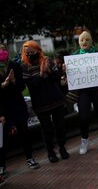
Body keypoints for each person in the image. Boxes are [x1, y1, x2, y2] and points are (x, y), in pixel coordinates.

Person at [21, 40, 69, 163]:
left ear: (38, 50)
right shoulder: (25, 66)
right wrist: (41, 74)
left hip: (55, 99)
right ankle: (51, 152)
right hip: (40, 103)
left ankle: (62, 148)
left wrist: (49, 71)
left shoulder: (47, 60)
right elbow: (31, 86)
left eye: (32, 51)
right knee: (47, 129)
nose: (30, 54)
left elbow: (57, 78)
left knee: (60, 126)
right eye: (27, 53)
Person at [0, 43, 40, 178]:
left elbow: (22, 87)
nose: (2, 51)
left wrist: (14, 81)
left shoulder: (15, 65)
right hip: (3, 109)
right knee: (3, 139)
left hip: (17, 105)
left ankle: (29, 158)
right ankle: (2, 166)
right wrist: (5, 84)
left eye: (4, 49)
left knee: (24, 133)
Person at [71, 31, 98, 154]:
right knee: (83, 116)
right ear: (78, 42)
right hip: (83, 91)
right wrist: (67, 70)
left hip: (97, 89)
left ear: (91, 41)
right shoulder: (74, 56)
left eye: (87, 40)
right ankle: (84, 139)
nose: (84, 42)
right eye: (82, 40)